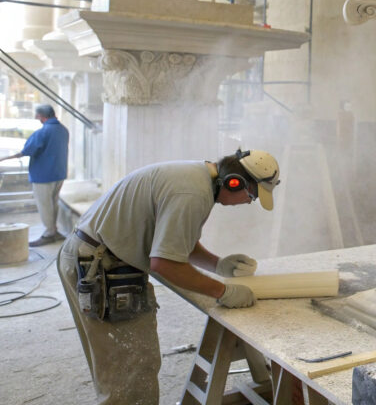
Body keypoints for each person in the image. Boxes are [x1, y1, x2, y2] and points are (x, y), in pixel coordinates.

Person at [57, 148, 280, 405]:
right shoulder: (192, 194)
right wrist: (223, 291)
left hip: (96, 256)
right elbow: (165, 263)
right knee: (130, 370)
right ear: (235, 182)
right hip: (102, 268)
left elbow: (176, 243)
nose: (247, 202)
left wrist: (218, 265)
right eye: (251, 196)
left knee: (124, 366)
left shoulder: (198, 179)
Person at [0, 104, 70, 246]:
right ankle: (54, 229)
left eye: (37, 116)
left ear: (42, 116)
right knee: (53, 203)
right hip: (59, 172)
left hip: (44, 175)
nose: (37, 118)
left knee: (45, 205)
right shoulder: (63, 130)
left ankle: (49, 233)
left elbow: (29, 150)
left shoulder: (43, 132)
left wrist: (14, 156)